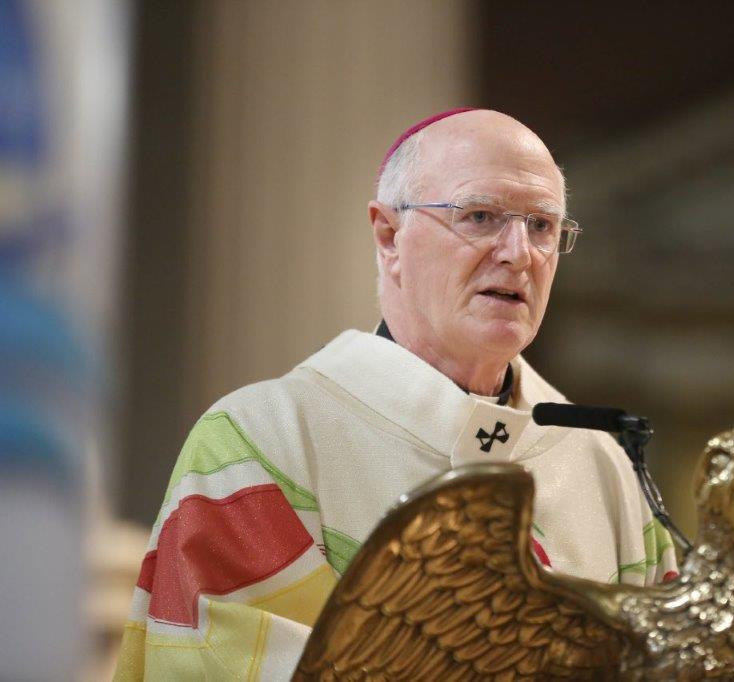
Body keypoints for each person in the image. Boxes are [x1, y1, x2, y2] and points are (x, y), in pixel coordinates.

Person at [114, 109, 678, 679]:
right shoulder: (261, 444)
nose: (519, 253)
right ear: (389, 236)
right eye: (480, 216)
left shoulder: (600, 461)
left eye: (542, 226)